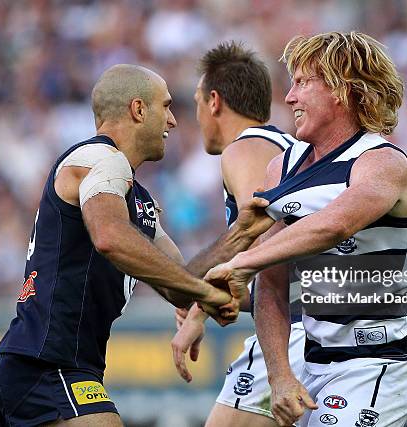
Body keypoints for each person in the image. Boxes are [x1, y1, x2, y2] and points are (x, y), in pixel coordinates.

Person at [0, 64, 271, 427]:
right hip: (46, 366)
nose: (173, 121)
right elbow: (110, 238)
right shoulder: (99, 159)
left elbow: (179, 284)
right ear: (138, 110)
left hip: (44, 367)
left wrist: (241, 237)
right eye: (165, 107)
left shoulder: (135, 198)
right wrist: (205, 292)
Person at [205, 32, 407, 427]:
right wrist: (279, 376)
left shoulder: (381, 162)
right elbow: (271, 286)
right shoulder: (282, 167)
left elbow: (333, 225)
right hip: (309, 358)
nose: (289, 97)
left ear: (343, 89)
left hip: (375, 364)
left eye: (303, 82)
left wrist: (243, 263)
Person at [169, 42, 305, 427]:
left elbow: (261, 230)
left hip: (290, 333)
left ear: (214, 101)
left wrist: (199, 306)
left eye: (196, 102)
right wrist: (208, 306)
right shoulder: (283, 146)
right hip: (313, 324)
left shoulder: (245, 149)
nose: (190, 118)